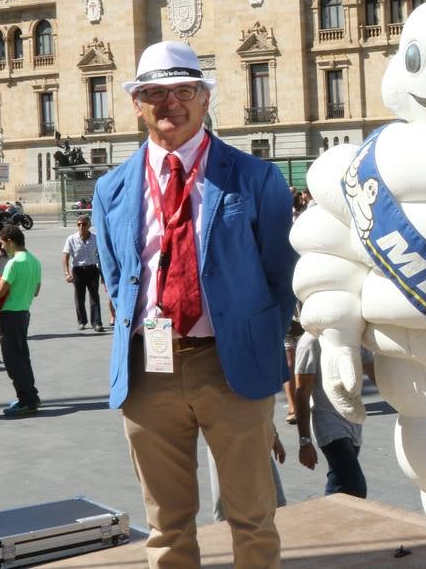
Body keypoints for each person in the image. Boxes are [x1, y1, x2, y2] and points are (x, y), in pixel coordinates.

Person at [93, 40, 297, 569]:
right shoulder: (112, 188)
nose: (170, 103)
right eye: (155, 93)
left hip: (231, 367)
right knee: (165, 527)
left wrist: (258, 350)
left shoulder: (254, 178)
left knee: (252, 518)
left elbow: (280, 276)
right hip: (148, 371)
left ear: (205, 99)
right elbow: (117, 280)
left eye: (184, 90)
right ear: (137, 103)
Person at [293, 330, 374, 498]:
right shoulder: (310, 342)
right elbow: (302, 393)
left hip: (353, 419)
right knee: (355, 484)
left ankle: (331, 520)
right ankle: (340, 520)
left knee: (340, 482)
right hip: (328, 422)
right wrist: (304, 442)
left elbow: (374, 371)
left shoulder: (351, 331)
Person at [0, 224, 41, 417]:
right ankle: (32, 395)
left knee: (13, 361)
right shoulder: (34, 261)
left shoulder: (14, 263)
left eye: (3, 244)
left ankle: (26, 401)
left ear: (10, 241)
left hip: (9, 315)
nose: (2, 247)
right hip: (23, 313)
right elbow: (36, 291)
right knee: (23, 357)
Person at [63, 215, 104, 331]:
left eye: (84, 224)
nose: (81, 227)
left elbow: (101, 256)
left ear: (89, 225)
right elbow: (65, 256)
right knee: (79, 297)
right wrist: (66, 273)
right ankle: (82, 321)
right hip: (78, 270)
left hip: (92, 269)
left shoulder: (96, 239)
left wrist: (103, 274)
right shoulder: (71, 239)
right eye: (78, 224)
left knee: (94, 297)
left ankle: (96, 323)